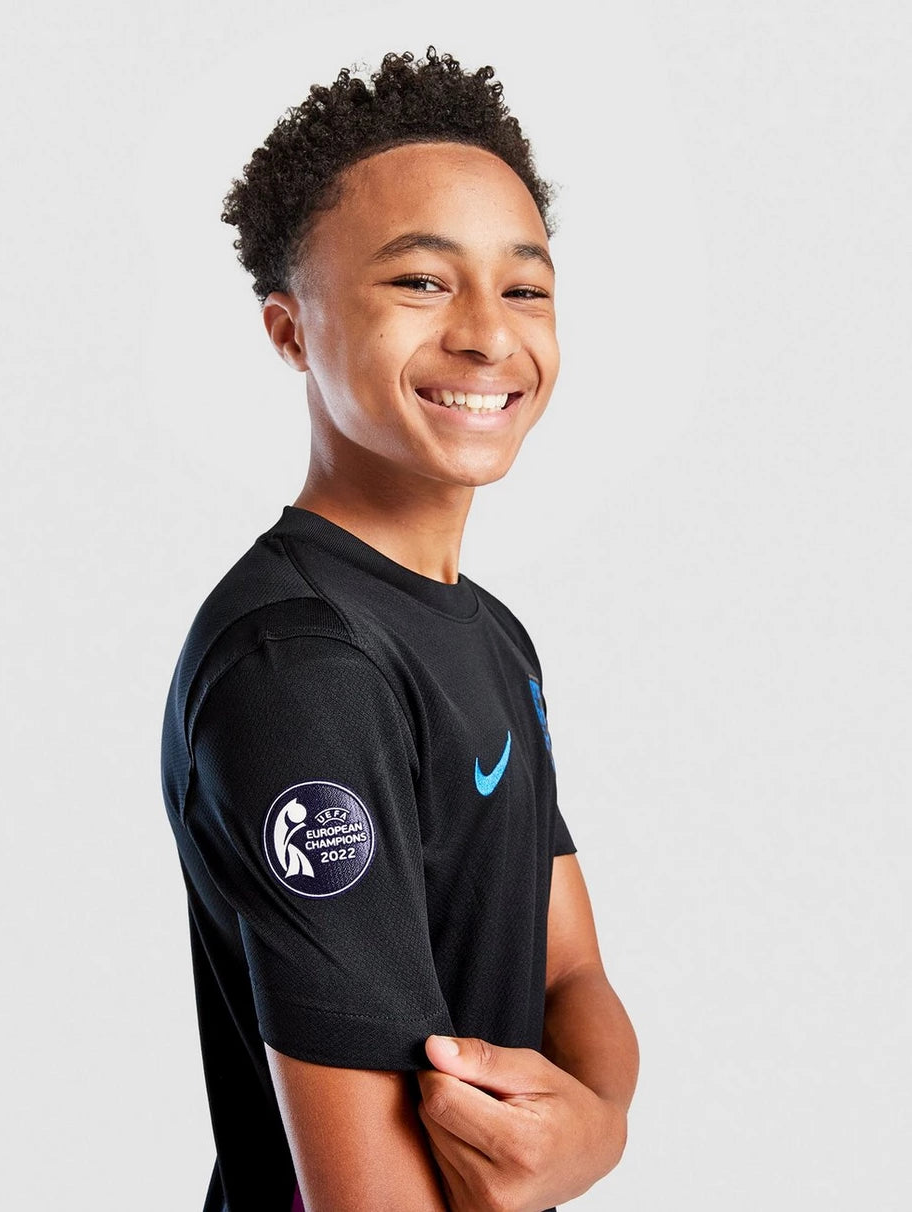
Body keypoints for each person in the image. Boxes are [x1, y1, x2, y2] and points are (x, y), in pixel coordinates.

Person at [161, 47, 639, 1212]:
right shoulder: (303, 668)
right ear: (290, 331)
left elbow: (568, 969)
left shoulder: (490, 637)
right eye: (421, 281)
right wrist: (568, 1147)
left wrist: (594, 1131)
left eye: (523, 289)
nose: (486, 335)